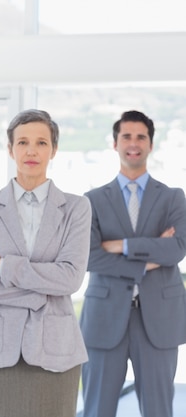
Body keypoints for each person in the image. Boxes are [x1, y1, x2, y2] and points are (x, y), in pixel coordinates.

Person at [0, 109, 91, 417]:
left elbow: (70, 279)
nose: (31, 150)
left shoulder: (77, 208)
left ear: (54, 149)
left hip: (56, 352)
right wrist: (43, 289)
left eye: (41, 142)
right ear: (10, 149)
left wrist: (1, 267)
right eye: (23, 142)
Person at [80, 110, 186, 417]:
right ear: (115, 143)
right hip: (104, 319)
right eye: (126, 136)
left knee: (158, 410)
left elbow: (176, 250)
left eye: (141, 136)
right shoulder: (92, 200)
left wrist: (120, 245)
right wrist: (146, 260)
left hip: (159, 320)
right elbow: (89, 256)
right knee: (97, 409)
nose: (133, 143)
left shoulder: (173, 198)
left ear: (151, 144)